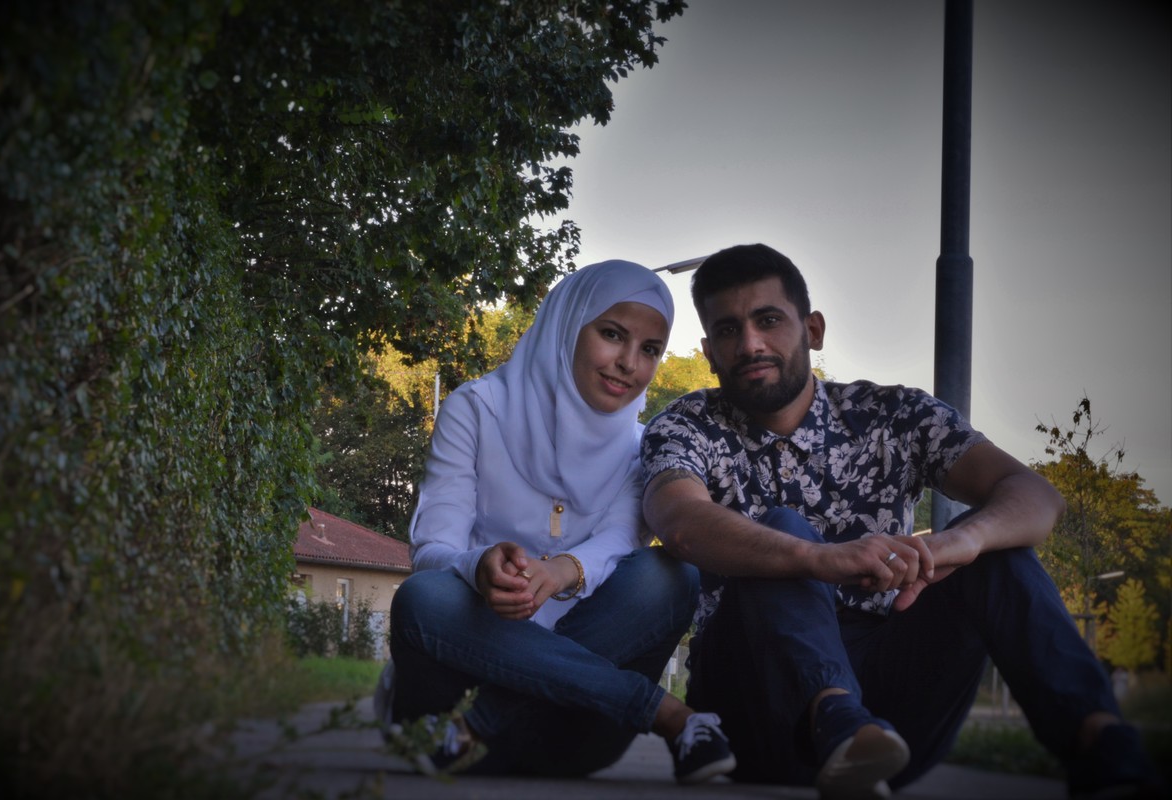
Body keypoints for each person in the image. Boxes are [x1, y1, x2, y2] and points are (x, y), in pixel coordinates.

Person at [640, 244, 1163, 799]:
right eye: (727, 331)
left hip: (891, 712)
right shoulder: (686, 424)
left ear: (813, 329)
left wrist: (957, 542)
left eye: (769, 320)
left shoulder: (894, 415)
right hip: (755, 703)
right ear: (709, 351)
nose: (750, 344)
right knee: (784, 529)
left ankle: (1103, 746)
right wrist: (819, 558)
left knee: (996, 551)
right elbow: (681, 520)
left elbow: (1035, 497)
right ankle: (836, 719)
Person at [385, 260, 736, 785]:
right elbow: (432, 549)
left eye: (649, 350)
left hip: (567, 736)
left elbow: (620, 540)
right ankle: (667, 715)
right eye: (612, 334)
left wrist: (561, 572)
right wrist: (479, 567)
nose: (627, 364)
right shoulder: (476, 410)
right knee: (423, 598)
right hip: (451, 699)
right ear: (569, 325)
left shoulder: (644, 448)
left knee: (668, 575)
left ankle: (483, 724)